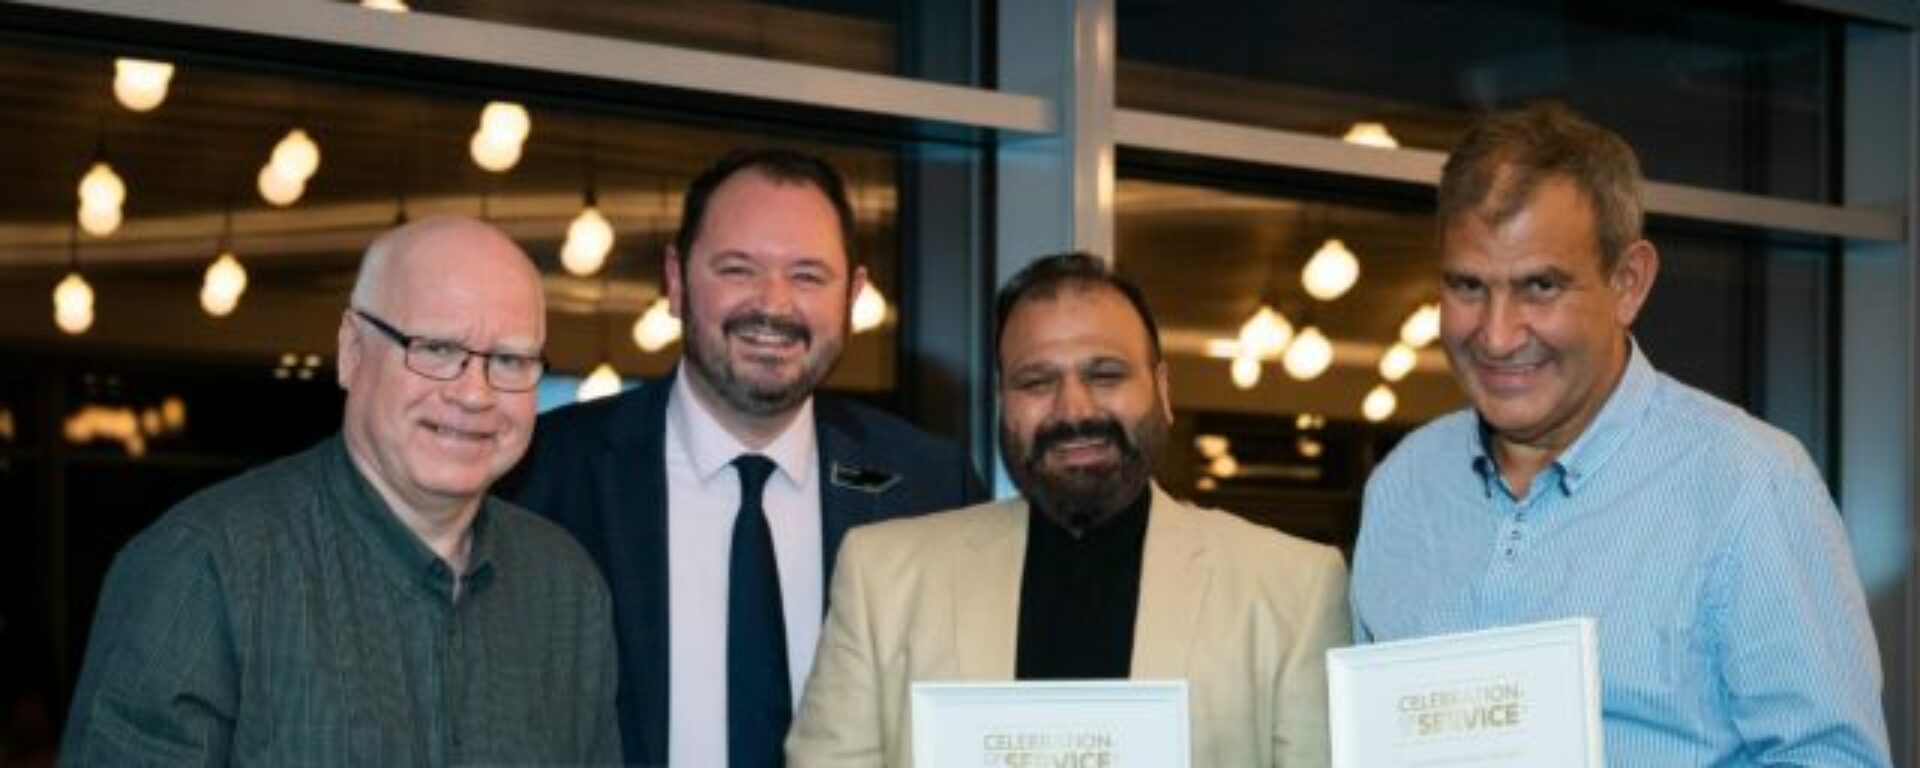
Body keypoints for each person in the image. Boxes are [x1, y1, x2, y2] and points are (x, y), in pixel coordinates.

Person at [1350, 103, 1891, 765]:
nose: (1495, 334)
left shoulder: (1749, 482)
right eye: (1468, 286)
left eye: (1539, 287)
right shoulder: (1404, 487)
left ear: (1628, 282)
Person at [60, 216, 620, 766]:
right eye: (437, 348)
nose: (474, 393)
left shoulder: (566, 587)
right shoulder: (205, 568)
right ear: (352, 350)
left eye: (509, 359)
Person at [504, 148, 985, 767]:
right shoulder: (543, 473)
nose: (774, 305)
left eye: (809, 276)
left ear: (854, 295)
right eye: (738, 269)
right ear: (676, 281)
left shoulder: (931, 488)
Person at [787, 252, 1349, 767]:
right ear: (1004, 404)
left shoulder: (1291, 590)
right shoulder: (883, 577)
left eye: (1105, 374)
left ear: (1163, 390)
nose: (1073, 409)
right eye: (1037, 381)